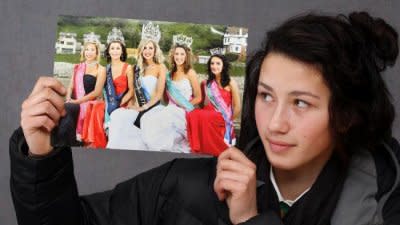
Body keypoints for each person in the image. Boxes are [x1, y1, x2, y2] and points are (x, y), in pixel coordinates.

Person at [11, 11, 400, 225]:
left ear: (346, 115)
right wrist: (42, 154)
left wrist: (249, 220)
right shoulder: (187, 185)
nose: (275, 123)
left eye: (301, 103)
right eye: (266, 96)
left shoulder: (385, 201)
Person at [106, 39, 167, 150]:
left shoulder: (160, 67)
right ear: (141, 50)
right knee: (118, 115)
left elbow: (159, 94)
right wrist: (131, 105)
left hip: (153, 107)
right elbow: (133, 91)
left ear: (155, 51)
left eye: (150, 48)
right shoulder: (136, 68)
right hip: (138, 106)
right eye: (145, 48)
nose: (147, 51)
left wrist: (143, 107)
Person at [141, 44, 201, 152]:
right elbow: (165, 100)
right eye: (176, 54)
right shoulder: (169, 75)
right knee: (147, 118)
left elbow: (198, 97)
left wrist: (184, 105)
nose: (179, 57)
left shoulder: (190, 73)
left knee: (162, 120)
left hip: (184, 110)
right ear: (173, 56)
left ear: (186, 56)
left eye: (182, 54)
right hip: (169, 108)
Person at [81, 39, 134, 148]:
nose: (115, 51)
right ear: (108, 52)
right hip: (109, 102)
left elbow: (131, 90)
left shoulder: (128, 68)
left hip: (123, 102)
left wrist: (119, 104)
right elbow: (102, 90)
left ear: (122, 51)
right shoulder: (106, 69)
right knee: (95, 106)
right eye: (112, 48)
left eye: (118, 48)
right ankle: (96, 143)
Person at [186, 54, 241, 156]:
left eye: (218, 63)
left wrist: (229, 120)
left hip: (223, 116)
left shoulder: (230, 82)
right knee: (192, 114)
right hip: (208, 114)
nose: (214, 66)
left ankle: (216, 149)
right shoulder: (205, 83)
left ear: (223, 66)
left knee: (202, 115)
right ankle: (197, 148)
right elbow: (201, 104)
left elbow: (237, 106)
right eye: (212, 63)